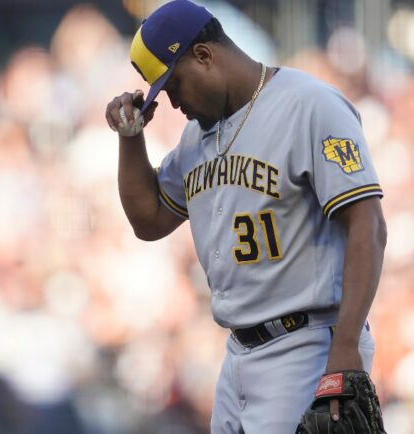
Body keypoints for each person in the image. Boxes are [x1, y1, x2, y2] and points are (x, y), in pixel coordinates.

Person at [104, 1, 387, 432]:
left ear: (204, 55)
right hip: (238, 353)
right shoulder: (197, 138)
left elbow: (368, 223)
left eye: (174, 85)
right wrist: (130, 139)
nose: (174, 102)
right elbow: (149, 221)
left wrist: (346, 347)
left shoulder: (309, 104)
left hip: (306, 345)